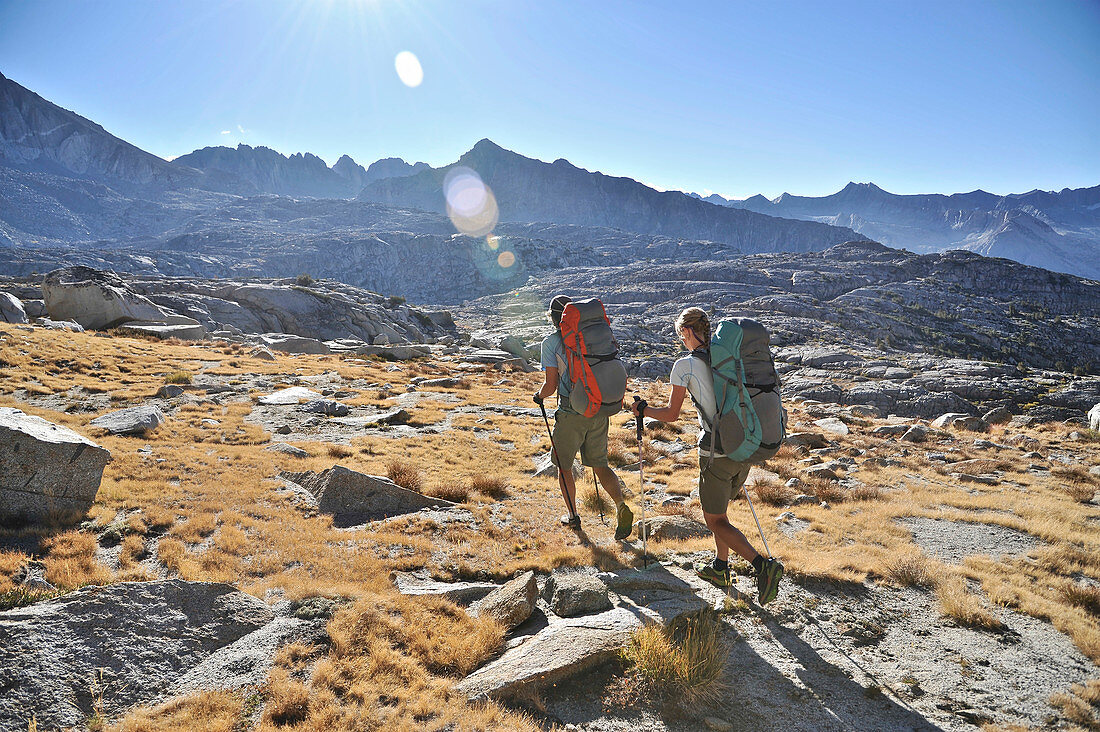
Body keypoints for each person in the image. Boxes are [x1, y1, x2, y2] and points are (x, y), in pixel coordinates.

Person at [630, 307, 783, 605]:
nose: (680, 340)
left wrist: (643, 410)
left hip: (717, 452)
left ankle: (762, 566)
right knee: (721, 513)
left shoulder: (684, 365)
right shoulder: (729, 360)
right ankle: (720, 568)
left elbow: (672, 414)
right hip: (745, 446)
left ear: (687, 332)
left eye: (680, 334)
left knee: (714, 520)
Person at [534, 294, 634, 539]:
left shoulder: (551, 342)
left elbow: (551, 384)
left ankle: (573, 517)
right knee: (600, 465)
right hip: (598, 407)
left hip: (571, 412)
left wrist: (538, 396)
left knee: (564, 466)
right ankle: (621, 505)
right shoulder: (592, 337)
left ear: (553, 318)